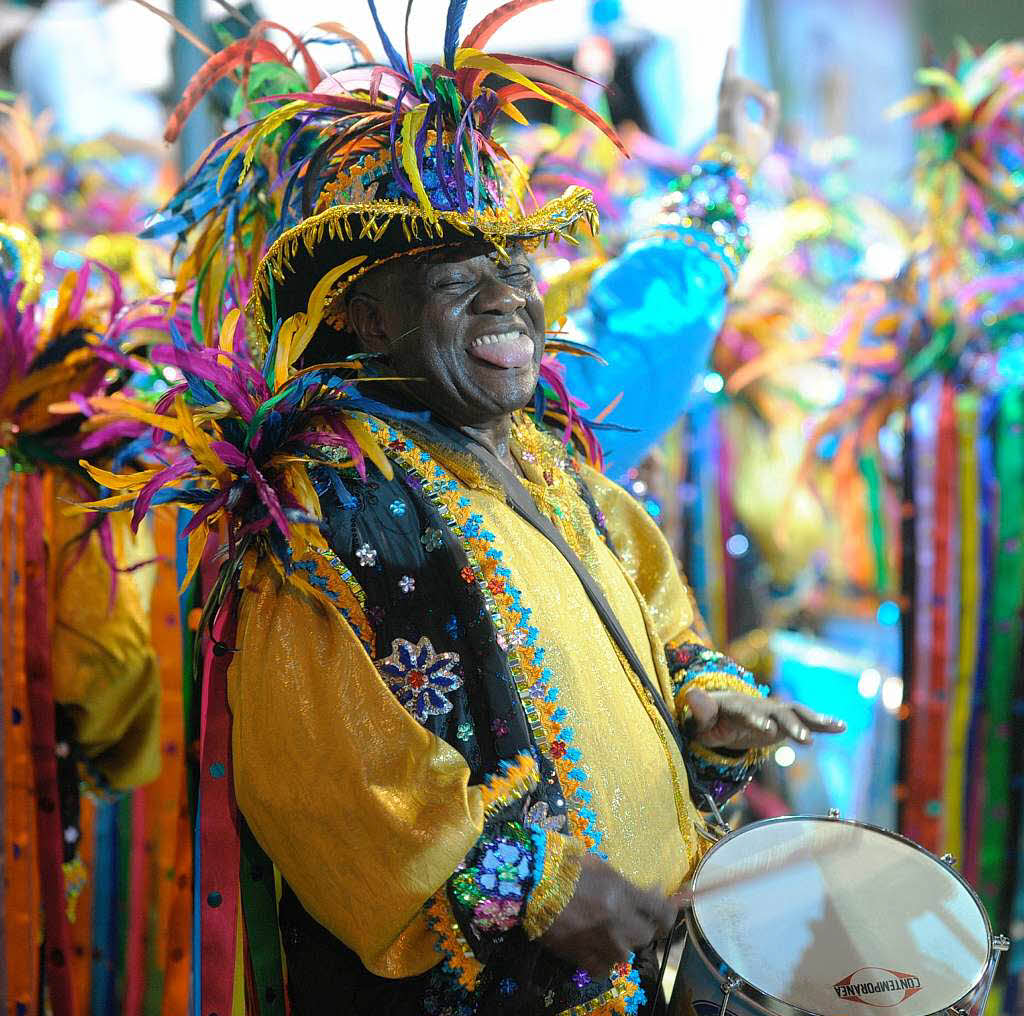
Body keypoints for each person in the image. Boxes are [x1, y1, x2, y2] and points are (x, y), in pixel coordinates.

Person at [92, 5, 845, 1013]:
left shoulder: (559, 469)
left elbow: (661, 621)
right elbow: (329, 789)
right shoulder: (320, 516)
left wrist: (702, 692)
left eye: (515, 266)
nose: (506, 298)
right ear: (363, 315)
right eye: (455, 274)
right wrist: (537, 883)